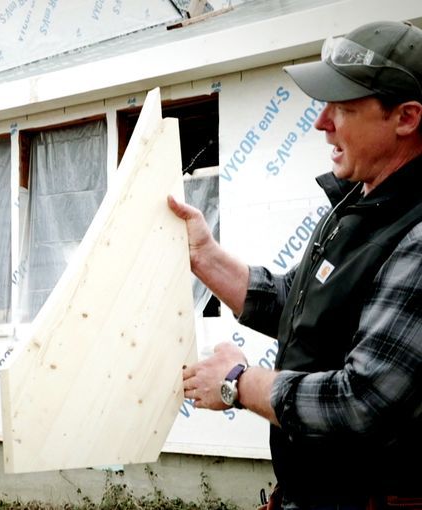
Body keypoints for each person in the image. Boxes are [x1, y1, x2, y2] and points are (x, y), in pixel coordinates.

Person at [168, 20, 422, 509]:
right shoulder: (358, 203)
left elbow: (362, 402)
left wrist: (239, 383)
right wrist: (204, 256)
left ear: (406, 118)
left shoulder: (416, 232)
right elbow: (298, 305)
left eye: (344, 108)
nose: (321, 122)